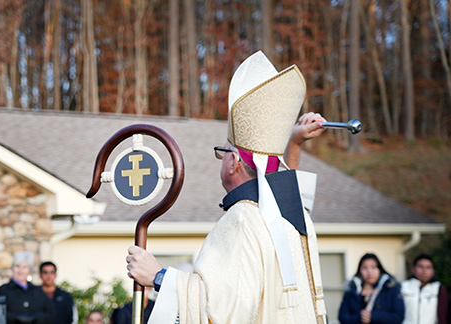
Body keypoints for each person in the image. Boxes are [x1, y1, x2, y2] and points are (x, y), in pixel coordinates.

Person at [125, 51, 328, 323]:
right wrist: (293, 143)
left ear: (233, 163)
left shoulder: (242, 219)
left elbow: (220, 309)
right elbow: (285, 191)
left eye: (224, 152)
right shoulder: (295, 220)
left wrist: (157, 276)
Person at [338, 253, 404, 324]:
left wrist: (373, 316)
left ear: (379, 269)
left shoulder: (391, 288)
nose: (369, 271)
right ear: (360, 270)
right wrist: (359, 317)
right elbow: (342, 317)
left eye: (373, 267)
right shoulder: (351, 290)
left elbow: (398, 317)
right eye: (365, 268)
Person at [0, 251, 55, 324]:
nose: (21, 270)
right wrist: (15, 317)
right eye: (17, 266)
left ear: (29, 270)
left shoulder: (38, 291)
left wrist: (34, 318)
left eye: (24, 267)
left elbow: (50, 314)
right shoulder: (2, 291)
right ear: (12, 268)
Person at [401, 253, 448, 324]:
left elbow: (443, 316)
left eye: (428, 267)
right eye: (420, 266)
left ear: (433, 271)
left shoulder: (439, 288)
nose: (424, 270)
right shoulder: (403, 287)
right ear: (413, 269)